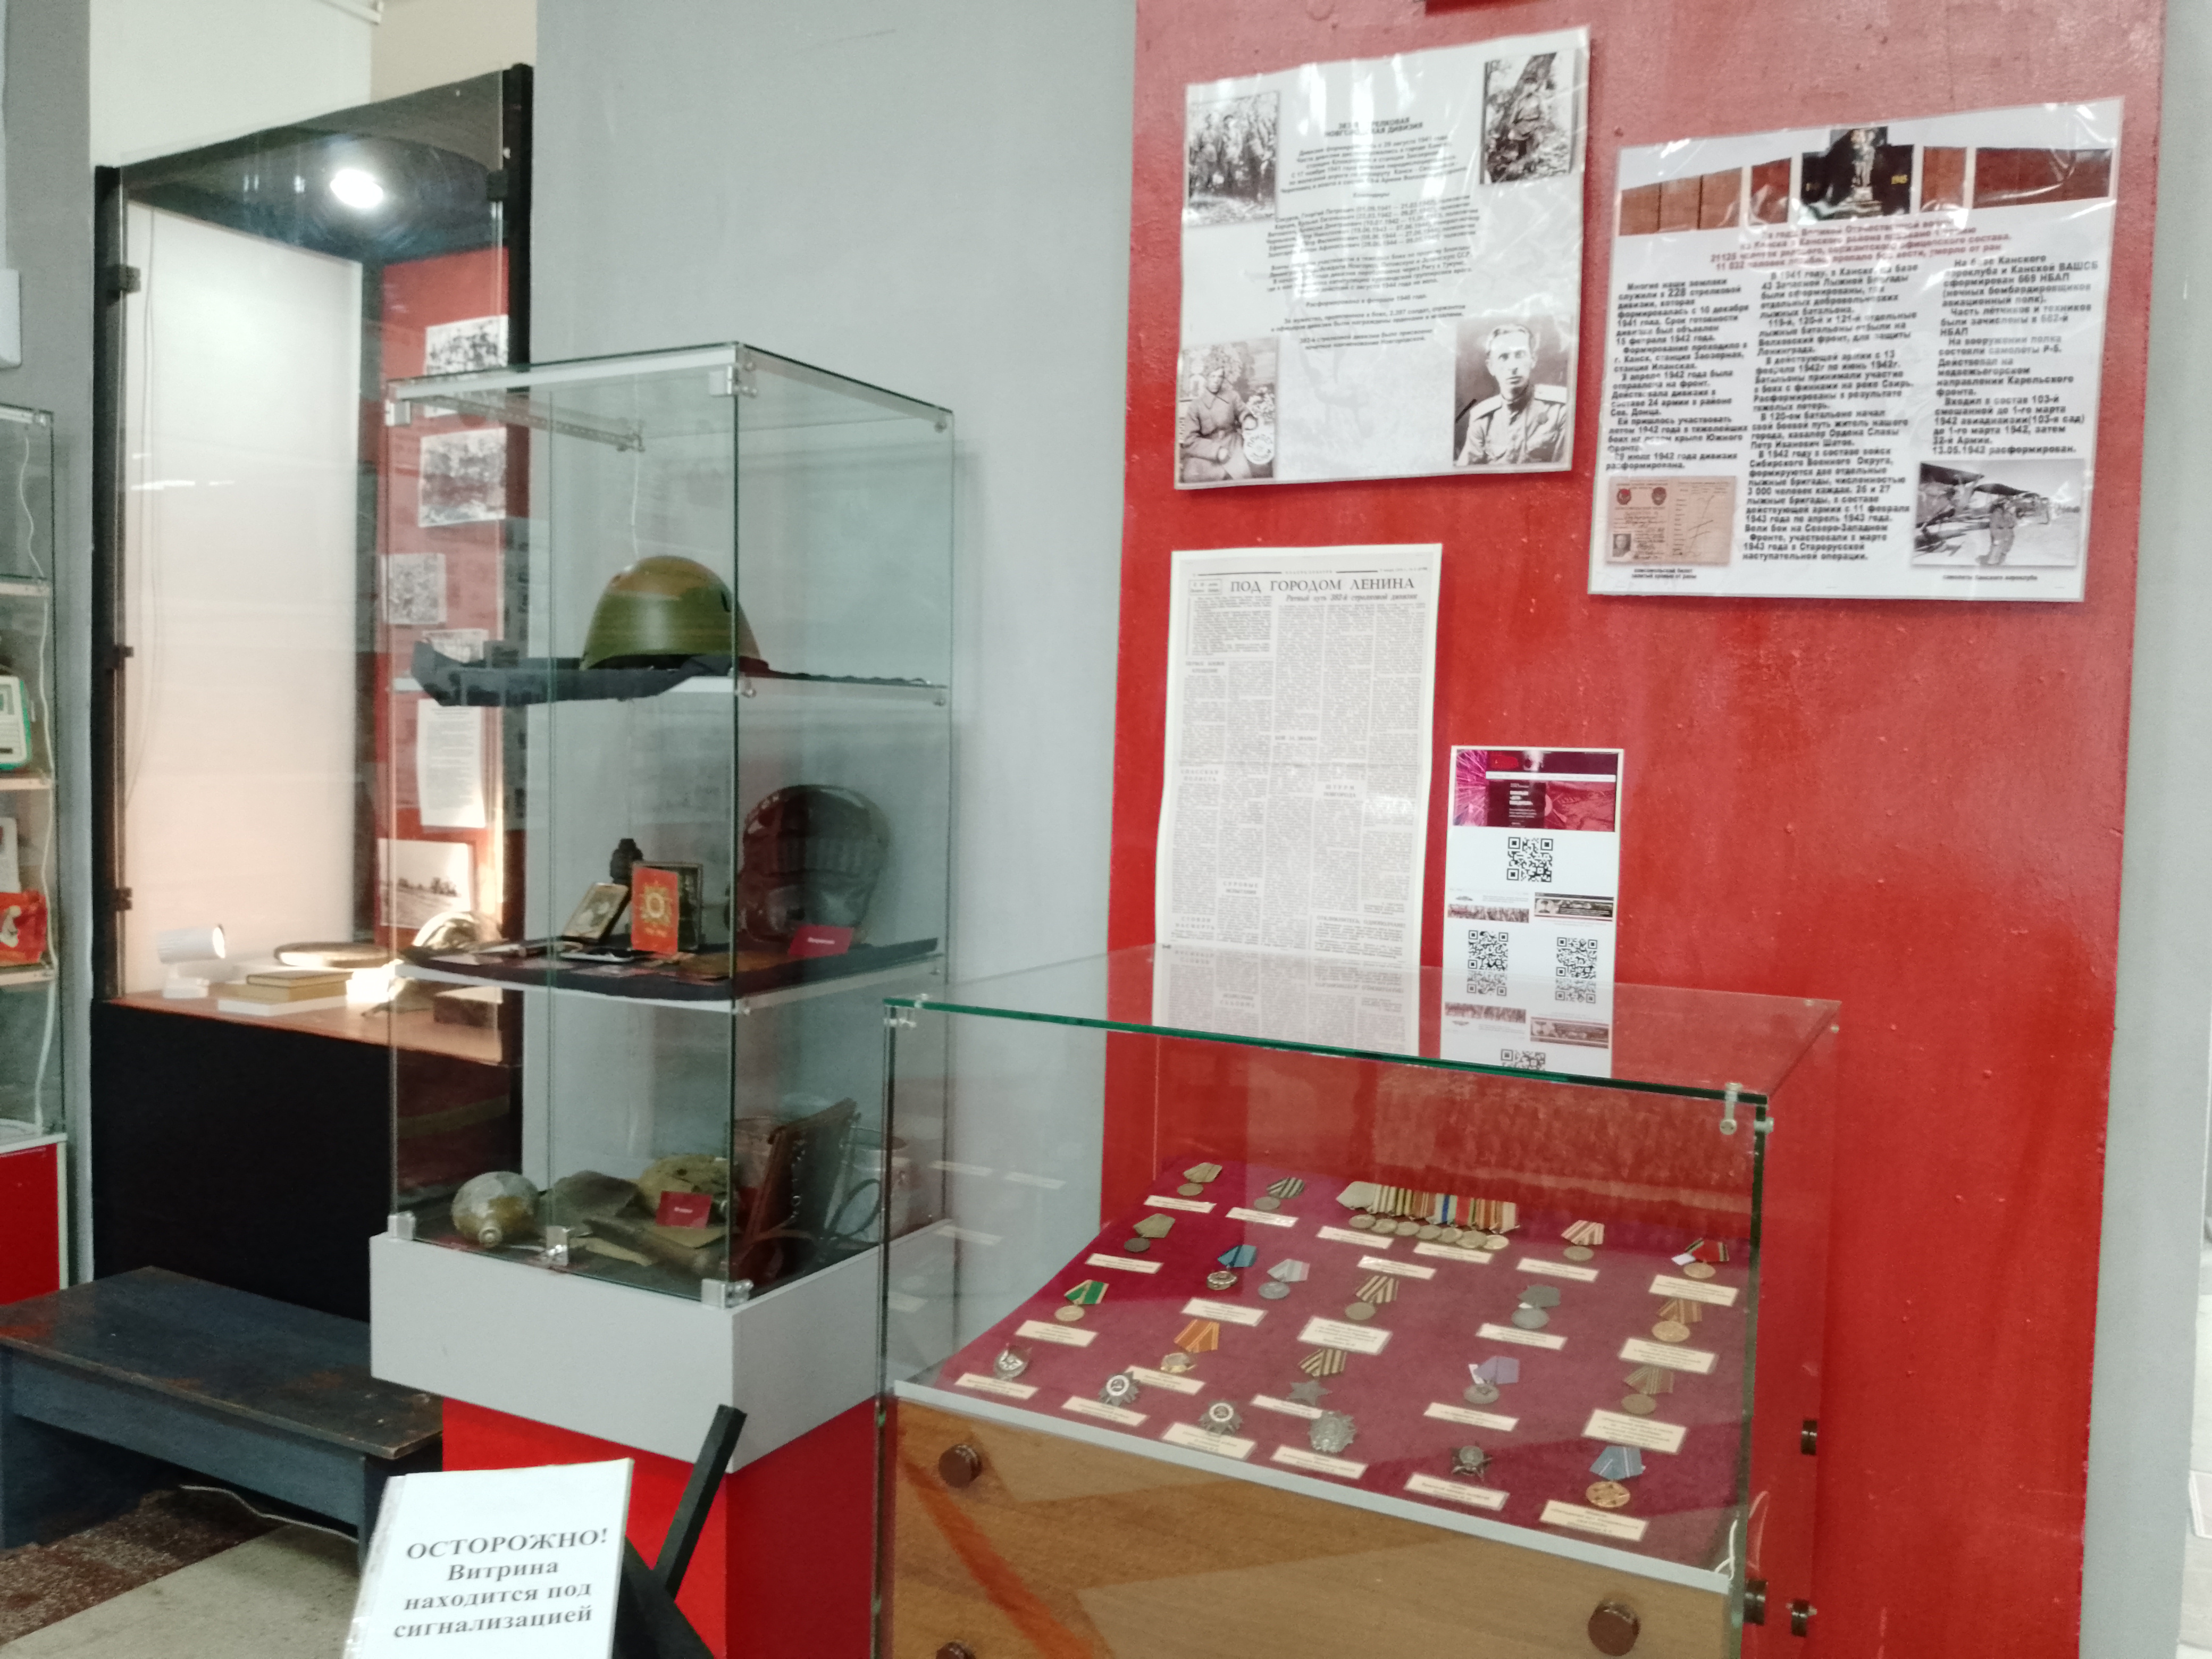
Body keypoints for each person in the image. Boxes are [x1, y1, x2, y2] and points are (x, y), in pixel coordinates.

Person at [1457, 324, 1569, 466]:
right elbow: (1467, 473)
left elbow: (1562, 472)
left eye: (1520, 355)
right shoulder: (1482, 419)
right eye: (1504, 357)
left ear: (1533, 360)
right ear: (1491, 367)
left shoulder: (1560, 409)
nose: (1513, 366)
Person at [1179, 345, 1256, 483]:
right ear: (1206, 376)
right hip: (1206, 451)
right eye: (1212, 376)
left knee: (1244, 477)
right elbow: (1190, 440)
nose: (1216, 381)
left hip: (1233, 445)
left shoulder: (1232, 396)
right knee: (1193, 477)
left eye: (1220, 376)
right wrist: (1216, 451)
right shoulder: (1196, 405)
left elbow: (1242, 412)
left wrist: (1248, 419)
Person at [1980, 494, 2018, 566]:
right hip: (1999, 535)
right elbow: (1994, 526)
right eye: (2007, 502)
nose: (2009, 504)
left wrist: (2013, 514)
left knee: (2005, 551)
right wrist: (1996, 538)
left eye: (2009, 502)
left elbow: (2014, 524)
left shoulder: (2009, 512)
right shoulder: (1997, 513)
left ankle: (2001, 563)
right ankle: (1992, 567)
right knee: (1995, 554)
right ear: (2002, 503)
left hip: (2008, 535)